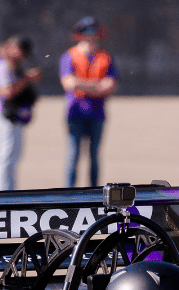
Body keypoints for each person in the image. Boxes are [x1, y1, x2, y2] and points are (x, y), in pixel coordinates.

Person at [59, 16, 118, 187]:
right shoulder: (69, 56)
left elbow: (110, 86)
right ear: (79, 34)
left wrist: (82, 85)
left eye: (93, 32)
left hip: (97, 114)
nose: (90, 36)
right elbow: (68, 83)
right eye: (86, 32)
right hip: (75, 113)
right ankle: (68, 194)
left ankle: (95, 193)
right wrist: (96, 86)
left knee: (94, 156)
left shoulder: (105, 56)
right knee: (73, 155)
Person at [0, 35, 41, 191]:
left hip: (15, 116)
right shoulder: (2, 66)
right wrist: (27, 79)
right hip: (7, 116)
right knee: (6, 158)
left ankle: (9, 190)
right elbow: (7, 91)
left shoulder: (13, 66)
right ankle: (2, 192)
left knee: (13, 157)